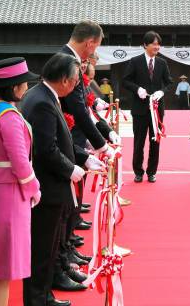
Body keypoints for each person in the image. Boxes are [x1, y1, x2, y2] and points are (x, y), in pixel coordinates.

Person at [21, 53, 102, 306]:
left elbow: (61, 139)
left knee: (50, 245)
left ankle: (44, 295)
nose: (78, 83)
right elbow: (46, 148)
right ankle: (38, 299)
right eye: (77, 79)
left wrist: (83, 157)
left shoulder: (45, 96)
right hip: (47, 186)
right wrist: (70, 169)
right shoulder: (43, 101)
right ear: (66, 80)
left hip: (51, 185)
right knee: (43, 248)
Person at [0, 57, 41, 306]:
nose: (26, 88)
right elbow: (20, 162)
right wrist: (34, 188)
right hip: (8, 196)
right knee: (1, 272)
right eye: (24, 83)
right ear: (14, 87)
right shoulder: (9, 116)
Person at [58, 21, 116, 290]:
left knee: (68, 205)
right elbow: (78, 108)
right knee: (60, 207)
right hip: (63, 142)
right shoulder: (67, 61)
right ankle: (60, 263)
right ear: (91, 43)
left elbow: (83, 106)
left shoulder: (69, 59)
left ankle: (66, 252)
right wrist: (101, 145)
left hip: (71, 141)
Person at [122, 30, 173, 183]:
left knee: (155, 141)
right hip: (139, 109)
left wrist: (162, 92)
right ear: (145, 45)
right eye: (153, 44)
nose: (156, 47)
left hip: (157, 109)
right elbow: (126, 80)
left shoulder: (162, 63)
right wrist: (137, 89)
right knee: (139, 142)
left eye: (158, 44)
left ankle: (152, 172)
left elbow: (169, 82)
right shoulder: (135, 61)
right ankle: (138, 171)